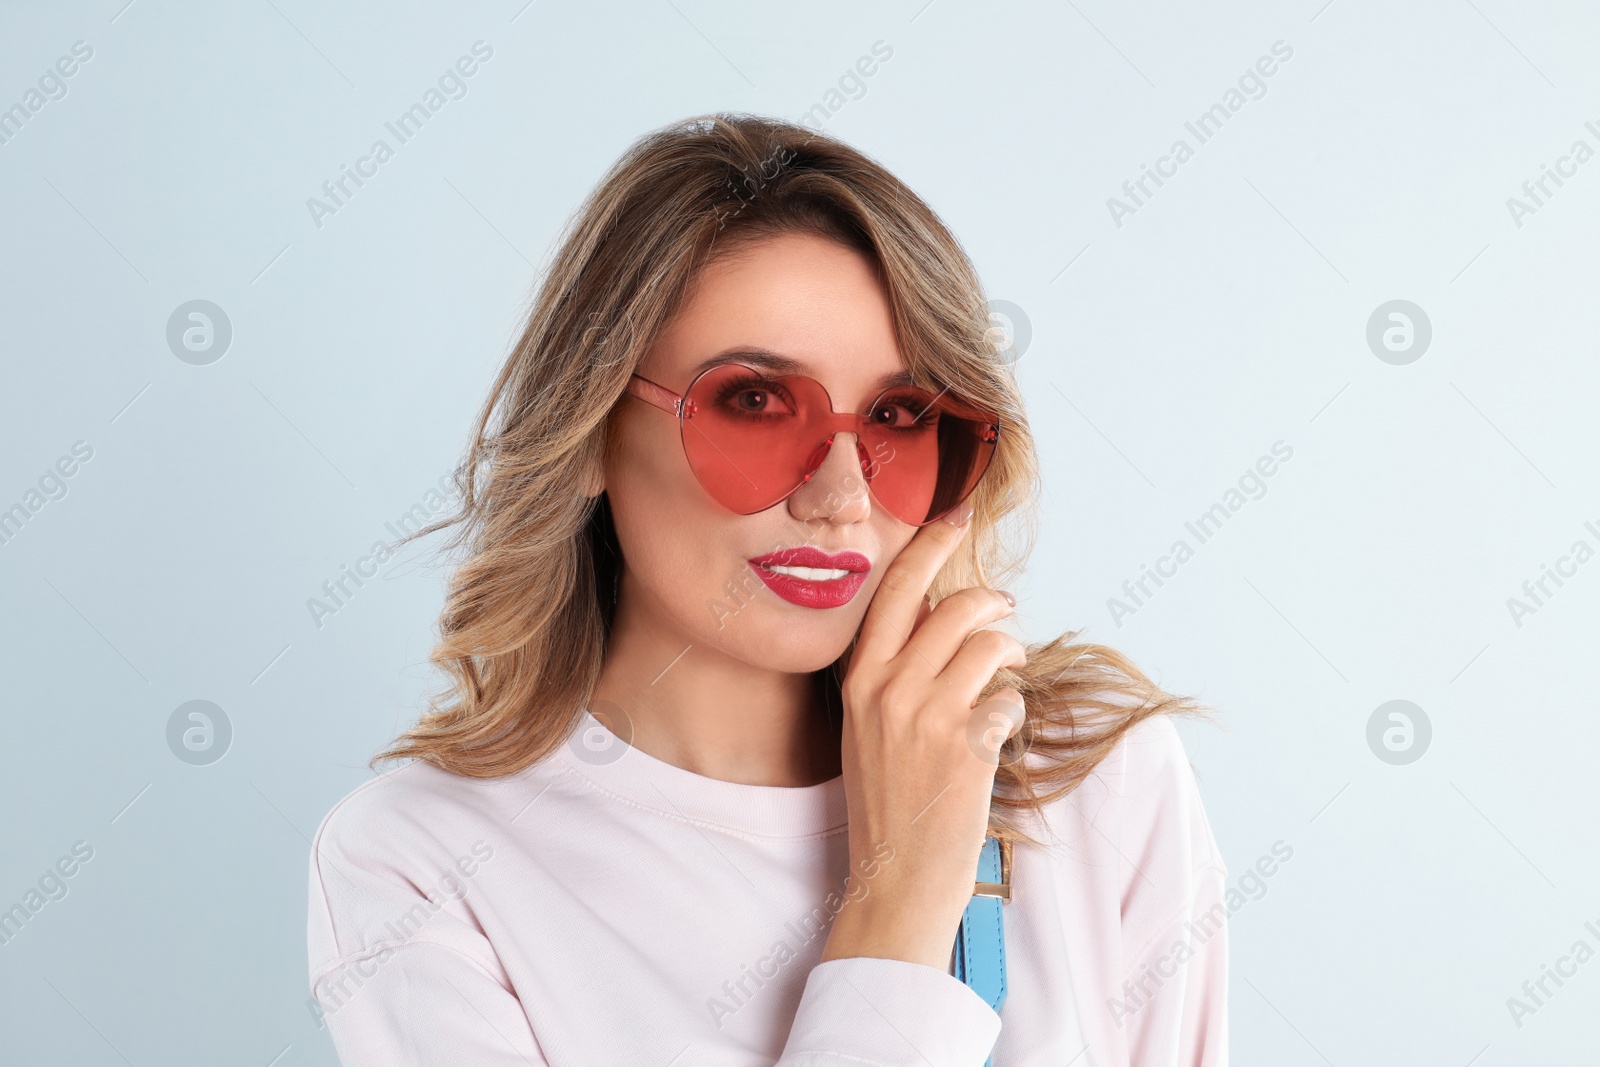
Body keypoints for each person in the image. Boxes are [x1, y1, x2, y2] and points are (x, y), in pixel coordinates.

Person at [306, 113, 1229, 1066]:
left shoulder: (1094, 778)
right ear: (588, 436)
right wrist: (896, 900)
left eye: (899, 415)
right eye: (752, 401)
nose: (841, 497)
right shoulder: (421, 867)